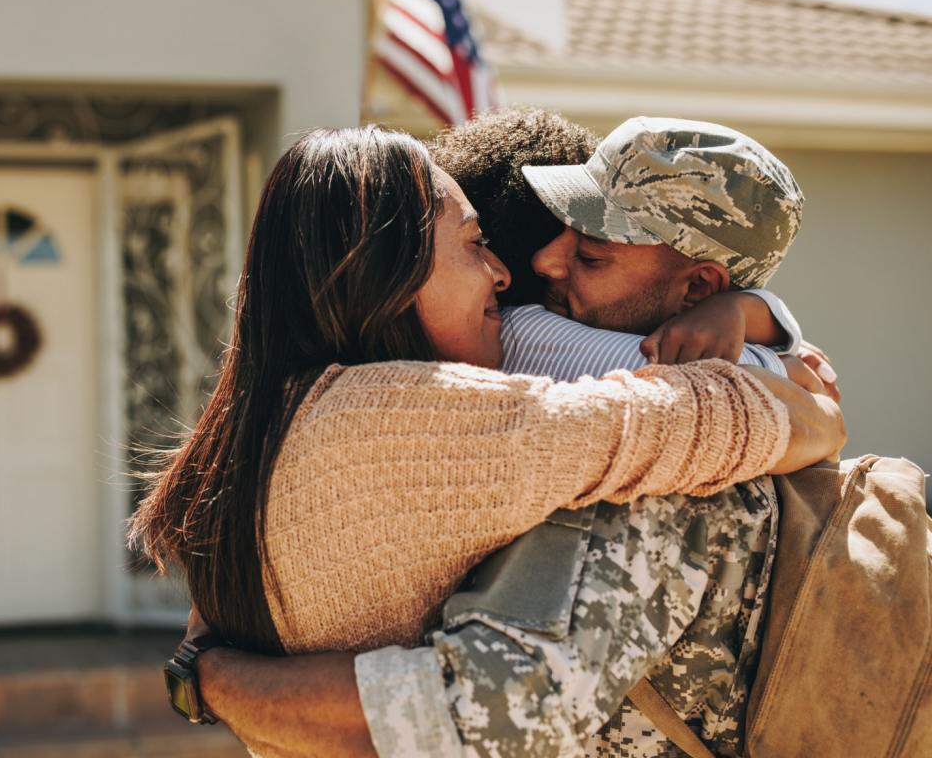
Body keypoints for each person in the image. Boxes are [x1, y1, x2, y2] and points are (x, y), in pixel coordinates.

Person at [132, 124, 844, 757]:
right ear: (387, 272)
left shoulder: (265, 421)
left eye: (591, 255)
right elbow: (670, 417)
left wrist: (207, 677)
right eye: (476, 247)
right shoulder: (407, 417)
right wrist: (800, 389)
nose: (516, 271)